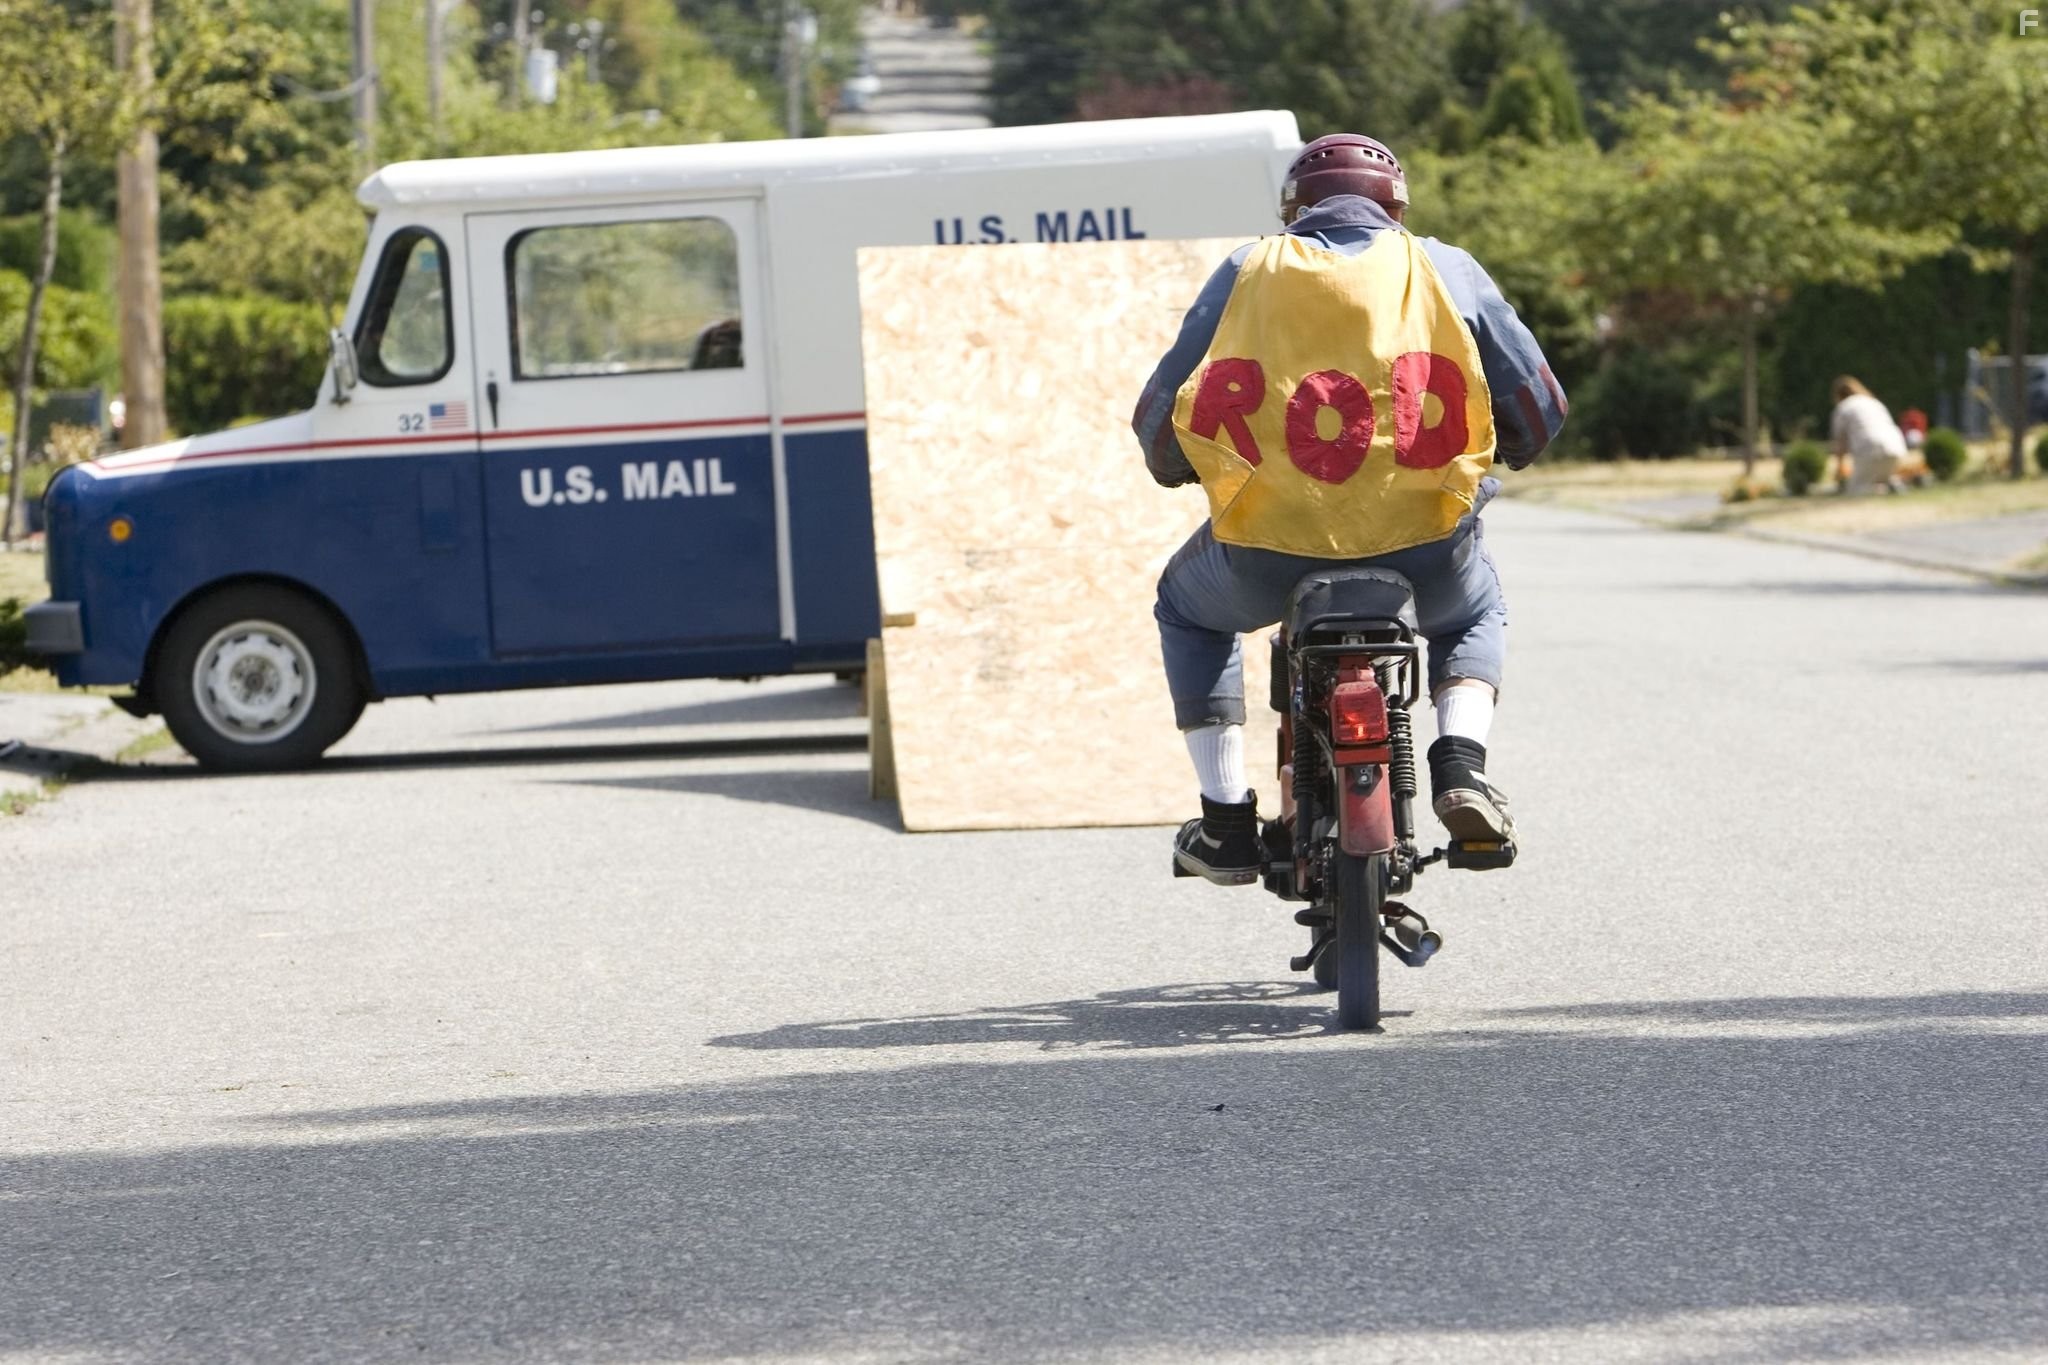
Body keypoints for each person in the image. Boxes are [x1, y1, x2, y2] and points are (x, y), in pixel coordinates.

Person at [1132, 133, 1568, 885]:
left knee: (1187, 609)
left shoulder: (1248, 268)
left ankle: (1227, 819)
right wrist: (1520, 443)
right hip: (1426, 545)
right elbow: (1538, 399)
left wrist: (1171, 464)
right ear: (1395, 207)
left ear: (1293, 211)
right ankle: (1460, 764)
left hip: (1269, 550)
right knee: (1475, 613)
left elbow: (1169, 399)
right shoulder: (1447, 267)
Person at [1828, 376, 1907, 494]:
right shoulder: (1873, 402)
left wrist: (1839, 471)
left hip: (1869, 451)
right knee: (1880, 477)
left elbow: (1840, 444)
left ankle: (1883, 489)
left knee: (1856, 489)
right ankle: (1891, 483)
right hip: (1896, 449)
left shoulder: (1843, 407)